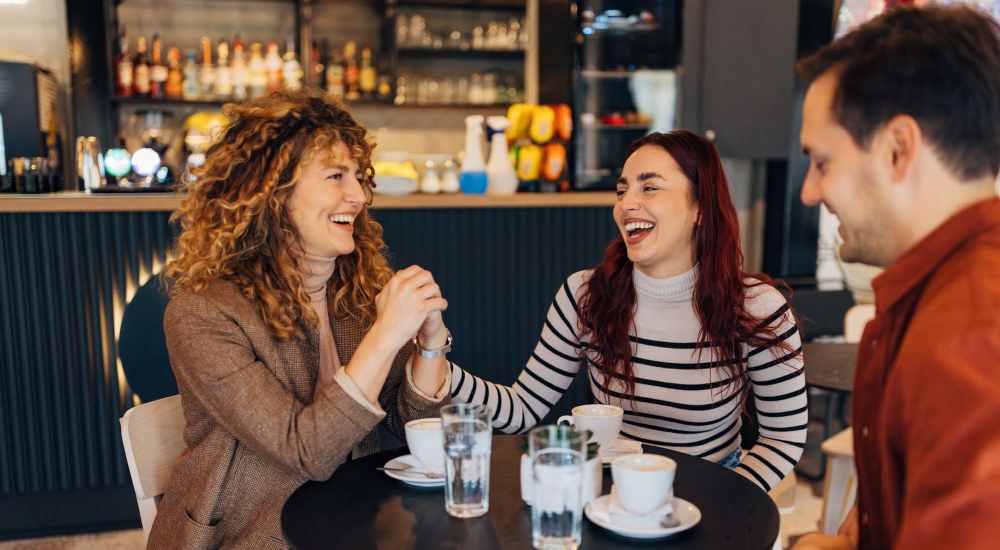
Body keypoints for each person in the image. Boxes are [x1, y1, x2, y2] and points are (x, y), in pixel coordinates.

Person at [147, 92, 453, 549]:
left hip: (355, 519)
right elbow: (305, 450)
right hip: (253, 532)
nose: (360, 196)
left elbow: (415, 423)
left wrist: (428, 346)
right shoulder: (204, 313)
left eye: (358, 177)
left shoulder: (356, 289)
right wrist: (388, 333)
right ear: (272, 194)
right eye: (336, 176)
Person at [449, 130, 808, 492]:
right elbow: (522, 409)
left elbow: (784, 438)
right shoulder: (585, 295)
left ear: (700, 208)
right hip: (613, 490)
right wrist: (436, 364)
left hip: (712, 489)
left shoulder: (757, 308)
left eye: (649, 188)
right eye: (622, 191)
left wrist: (726, 498)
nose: (626, 205)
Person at [792, 5, 1000, 550]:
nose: (809, 192)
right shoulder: (936, 296)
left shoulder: (968, 335)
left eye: (822, 161)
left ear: (897, 151)